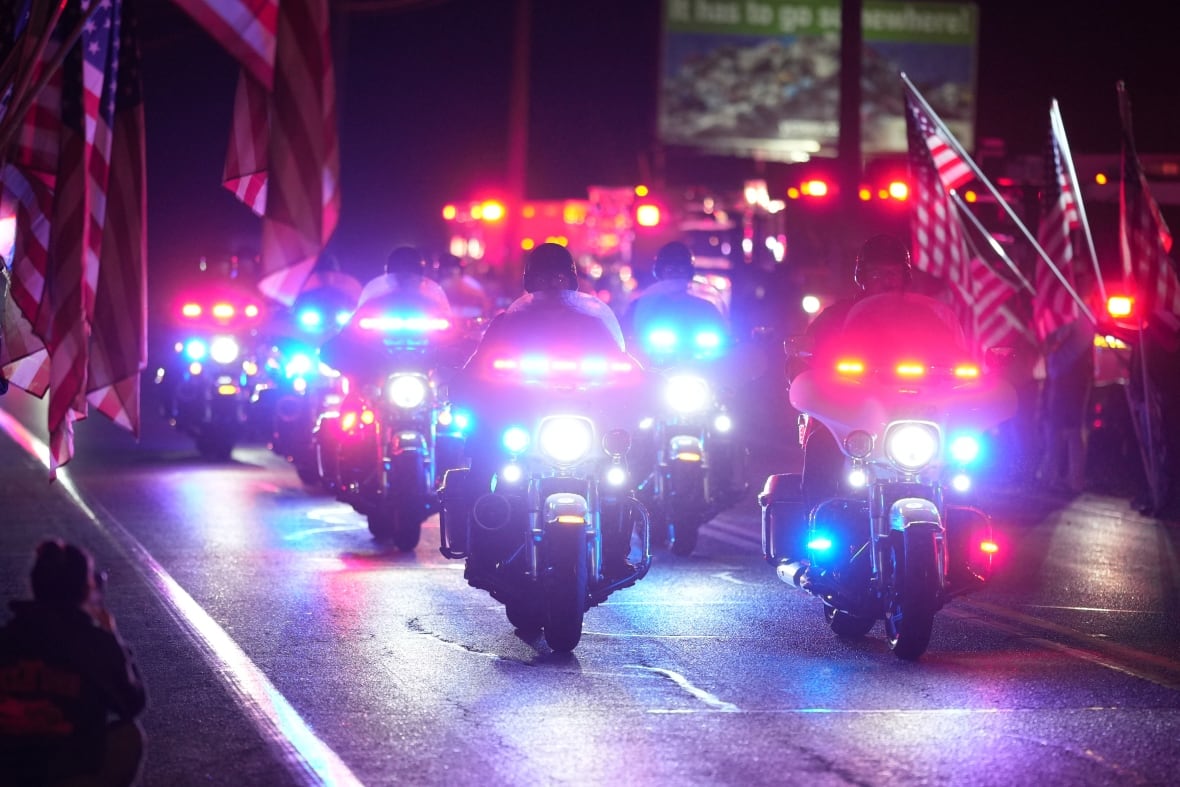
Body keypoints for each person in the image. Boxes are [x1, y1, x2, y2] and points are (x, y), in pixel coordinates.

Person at [443, 243, 652, 577]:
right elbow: (476, 370)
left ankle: (614, 552)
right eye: (544, 278)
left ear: (569, 280)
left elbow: (627, 369)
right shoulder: (508, 323)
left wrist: (643, 389)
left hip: (585, 422)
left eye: (557, 277)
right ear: (531, 281)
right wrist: (465, 390)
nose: (551, 285)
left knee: (618, 473)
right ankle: (481, 550)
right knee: (484, 461)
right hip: (522, 422)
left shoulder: (593, 324)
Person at [0, 539, 147, 787]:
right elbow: (132, 703)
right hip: (67, 772)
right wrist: (112, 637)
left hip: (9, 771)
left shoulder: (6, 638)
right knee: (129, 735)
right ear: (85, 589)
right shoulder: (95, 642)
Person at [793, 234, 913, 504]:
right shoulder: (836, 318)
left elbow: (954, 354)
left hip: (913, 415)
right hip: (849, 415)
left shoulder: (925, 320)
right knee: (821, 445)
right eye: (877, 273)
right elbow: (804, 360)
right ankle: (816, 524)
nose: (886, 280)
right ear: (861, 276)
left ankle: (958, 529)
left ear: (905, 276)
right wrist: (806, 365)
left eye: (893, 273)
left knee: (965, 460)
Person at [318, 245, 462, 384]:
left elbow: (455, 338)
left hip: (427, 377)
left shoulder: (433, 307)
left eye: (410, 272)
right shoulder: (373, 306)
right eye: (400, 272)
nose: (405, 278)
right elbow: (345, 338)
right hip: (378, 379)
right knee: (352, 402)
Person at [621, 241, 732, 365]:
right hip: (652, 369)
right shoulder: (641, 306)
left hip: (700, 368)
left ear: (689, 273)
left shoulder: (706, 308)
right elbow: (624, 336)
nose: (675, 274)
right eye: (670, 270)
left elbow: (724, 339)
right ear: (660, 272)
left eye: (681, 270)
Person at [1037, 315, 1096, 494]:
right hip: (1067, 380)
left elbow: (1056, 347)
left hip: (1069, 380)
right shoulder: (1075, 318)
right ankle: (1061, 477)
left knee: (1068, 430)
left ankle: (1058, 476)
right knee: (1066, 429)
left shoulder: (1076, 319)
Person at [434, 253, 491, 322]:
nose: (449, 271)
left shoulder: (472, 285)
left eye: (453, 268)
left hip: (469, 325)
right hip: (453, 324)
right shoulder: (473, 284)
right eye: (447, 268)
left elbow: (484, 307)